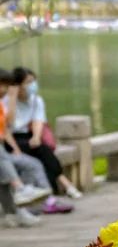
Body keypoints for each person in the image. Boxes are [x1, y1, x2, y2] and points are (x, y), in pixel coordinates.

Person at [3, 67, 82, 210]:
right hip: (9, 140)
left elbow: (38, 121)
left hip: (25, 137)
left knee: (40, 149)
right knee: (37, 158)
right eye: (28, 82)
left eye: (34, 81)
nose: (33, 85)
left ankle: (49, 196)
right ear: (17, 85)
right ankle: (57, 189)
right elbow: (7, 127)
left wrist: (36, 137)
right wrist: (13, 98)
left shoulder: (35, 100)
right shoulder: (6, 101)